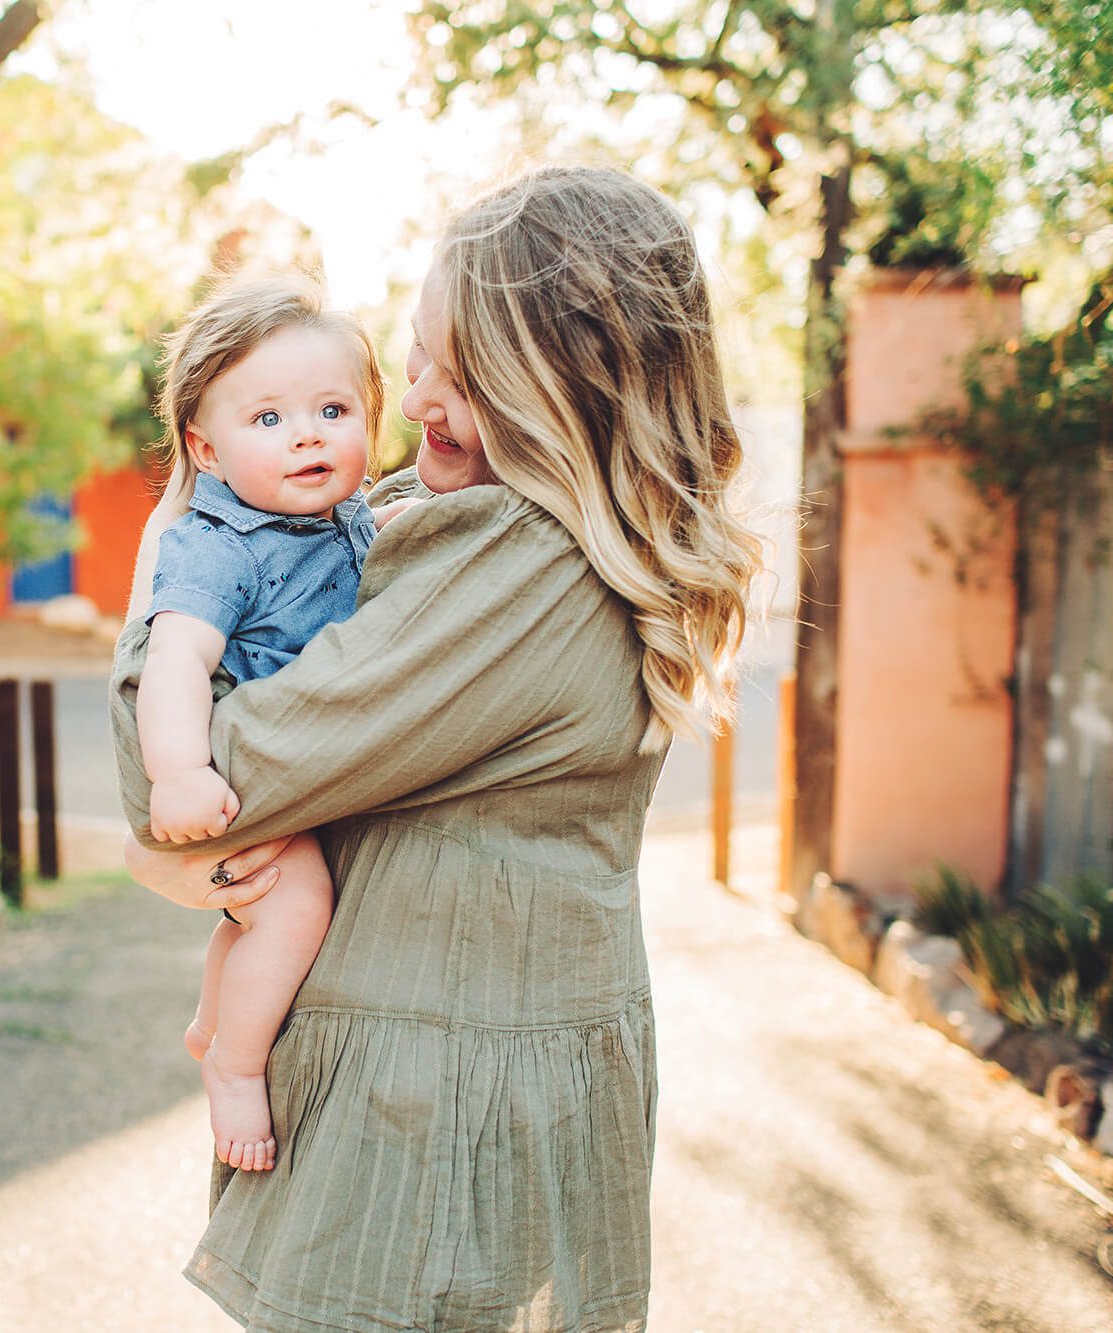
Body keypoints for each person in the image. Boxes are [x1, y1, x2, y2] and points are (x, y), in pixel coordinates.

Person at [112, 165, 762, 1330]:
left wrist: (184, 548)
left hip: (439, 1118)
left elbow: (186, 772)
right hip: (444, 1078)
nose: (410, 401)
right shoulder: (466, 517)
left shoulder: (521, 563)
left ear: (551, 388)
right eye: (409, 362)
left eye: (447, 372)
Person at [133, 275, 415, 1175]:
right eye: (267, 420)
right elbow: (173, 660)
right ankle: (235, 1064)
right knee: (296, 907)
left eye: (333, 409)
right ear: (204, 450)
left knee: (259, 918)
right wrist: (178, 774)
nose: (305, 434)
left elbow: (375, 557)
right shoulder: (219, 543)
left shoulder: (345, 519)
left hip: (309, 775)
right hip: (244, 784)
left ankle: (216, 1016)